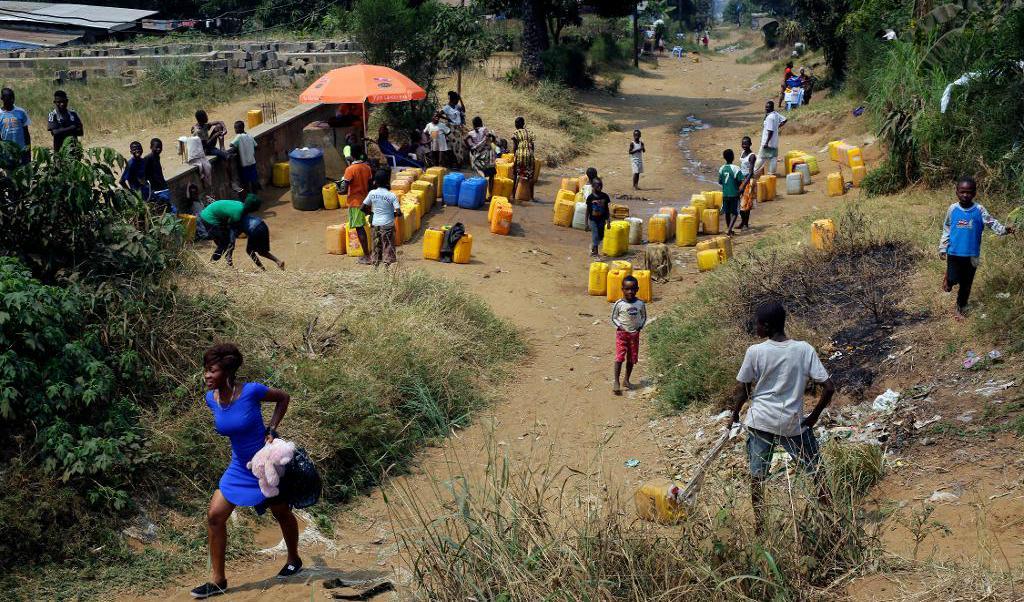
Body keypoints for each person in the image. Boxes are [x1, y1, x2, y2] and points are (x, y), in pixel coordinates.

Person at [190, 343, 301, 599]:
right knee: (215, 516)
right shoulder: (211, 399)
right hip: (239, 466)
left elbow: (283, 397)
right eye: (205, 370)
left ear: (227, 373)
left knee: (281, 512)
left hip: (265, 464)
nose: (206, 376)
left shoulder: (251, 392)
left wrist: (272, 429)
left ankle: (294, 558)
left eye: (212, 371)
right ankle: (218, 580)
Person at [730, 302, 834, 532]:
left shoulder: (755, 352)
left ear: (766, 326)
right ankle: (831, 519)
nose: (755, 327)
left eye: (757, 323)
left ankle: (760, 525)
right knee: (816, 471)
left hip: (760, 421)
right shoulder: (804, 349)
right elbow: (828, 387)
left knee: (757, 475)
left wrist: (735, 413)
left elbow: (744, 389)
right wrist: (813, 417)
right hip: (792, 423)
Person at [939, 176, 1015, 319]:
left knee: (966, 284)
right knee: (954, 279)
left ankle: (960, 308)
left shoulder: (979, 210)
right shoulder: (952, 209)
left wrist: (1005, 230)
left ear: (974, 193)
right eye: (962, 192)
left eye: (969, 192)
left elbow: (992, 223)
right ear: (956, 192)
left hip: (972, 255)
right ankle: (949, 279)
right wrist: (942, 248)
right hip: (954, 252)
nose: (965, 195)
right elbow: (947, 228)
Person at [611, 275, 647, 395]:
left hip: (634, 335)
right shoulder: (619, 304)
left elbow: (644, 317)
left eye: (632, 289)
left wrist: (640, 326)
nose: (630, 291)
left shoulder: (640, 304)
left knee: (631, 358)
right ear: (622, 289)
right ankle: (616, 382)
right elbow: (613, 317)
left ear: (637, 289)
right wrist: (619, 326)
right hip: (622, 334)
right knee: (619, 358)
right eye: (627, 289)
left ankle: (626, 380)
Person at [199, 194, 259, 265]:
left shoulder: (241, 205)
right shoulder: (238, 212)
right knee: (224, 243)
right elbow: (232, 231)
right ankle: (211, 263)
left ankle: (228, 258)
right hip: (209, 218)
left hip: (214, 215)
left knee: (226, 242)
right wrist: (232, 243)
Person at [361, 170, 402, 267]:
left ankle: (375, 267)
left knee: (376, 246)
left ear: (375, 182)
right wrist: (393, 214)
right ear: (387, 182)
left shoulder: (372, 193)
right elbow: (399, 212)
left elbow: (362, 208)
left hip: (375, 224)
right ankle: (386, 268)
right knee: (387, 246)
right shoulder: (391, 195)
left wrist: (371, 214)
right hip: (387, 225)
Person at [339, 147, 373, 262]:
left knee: (360, 228)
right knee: (367, 225)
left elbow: (344, 189)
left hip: (355, 202)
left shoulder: (350, 169)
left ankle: (367, 256)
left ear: (352, 156)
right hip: (366, 200)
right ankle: (371, 252)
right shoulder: (367, 168)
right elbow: (369, 185)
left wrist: (339, 190)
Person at [144, 138, 175, 214]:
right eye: (156, 147)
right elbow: (144, 175)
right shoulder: (148, 158)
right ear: (151, 147)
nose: (159, 149)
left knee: (170, 209)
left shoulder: (157, 157)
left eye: (160, 147)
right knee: (167, 210)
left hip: (162, 187)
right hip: (157, 190)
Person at [0, 87, 31, 164]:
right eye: (8, 99)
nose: (11, 101)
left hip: (22, 150)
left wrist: (28, 150)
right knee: (9, 174)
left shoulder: (21, 112)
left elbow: (26, 133)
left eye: (12, 98)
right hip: (7, 152)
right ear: (2, 99)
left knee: (23, 172)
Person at [466, 117, 496, 195]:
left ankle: (480, 194)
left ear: (473, 124)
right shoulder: (484, 129)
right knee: (491, 175)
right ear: (481, 123)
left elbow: (465, 139)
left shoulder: (470, 133)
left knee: (480, 175)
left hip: (478, 156)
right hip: (487, 156)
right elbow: (490, 138)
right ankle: (490, 193)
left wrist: (471, 147)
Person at [737, 136, 760, 230]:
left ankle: (744, 223)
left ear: (750, 144)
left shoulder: (752, 156)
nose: (744, 145)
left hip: (748, 181)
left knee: (745, 204)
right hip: (742, 180)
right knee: (744, 203)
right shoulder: (743, 153)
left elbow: (750, 172)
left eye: (746, 144)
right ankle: (744, 222)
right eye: (743, 144)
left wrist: (744, 185)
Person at [230, 121, 259, 195]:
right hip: (252, 162)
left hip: (244, 164)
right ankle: (255, 196)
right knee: (253, 180)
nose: (235, 130)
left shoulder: (239, 136)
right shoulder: (250, 136)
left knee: (246, 182)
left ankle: (249, 196)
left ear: (240, 128)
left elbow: (231, 145)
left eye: (236, 128)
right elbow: (257, 146)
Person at [585, 177, 611, 257]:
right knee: (595, 235)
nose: (599, 187)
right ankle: (595, 253)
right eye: (597, 186)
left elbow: (606, 209)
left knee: (601, 236)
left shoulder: (605, 196)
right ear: (593, 186)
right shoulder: (590, 198)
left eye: (601, 185)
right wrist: (586, 223)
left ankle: (593, 246)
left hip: (602, 219)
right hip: (593, 220)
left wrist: (608, 221)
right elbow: (588, 211)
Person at [511, 117, 536, 201]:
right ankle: (532, 197)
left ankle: (513, 195)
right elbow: (532, 146)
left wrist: (514, 157)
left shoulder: (516, 133)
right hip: (530, 155)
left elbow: (514, 147)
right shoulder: (530, 132)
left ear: (517, 125)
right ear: (523, 124)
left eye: (515, 123)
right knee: (530, 176)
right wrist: (532, 156)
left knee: (516, 175)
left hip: (520, 155)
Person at [719, 148, 743, 236]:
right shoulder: (736, 168)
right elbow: (740, 180)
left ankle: (729, 228)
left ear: (724, 158)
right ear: (733, 157)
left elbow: (720, 181)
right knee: (735, 213)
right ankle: (729, 230)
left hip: (725, 194)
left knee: (727, 212)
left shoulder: (722, 169)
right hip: (734, 194)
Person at [441, 91, 467, 167]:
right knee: (453, 146)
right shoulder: (446, 107)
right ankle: (454, 163)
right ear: (453, 99)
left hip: (458, 129)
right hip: (451, 129)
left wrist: (461, 99)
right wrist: (447, 119)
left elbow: (464, 110)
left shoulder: (456, 106)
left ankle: (459, 162)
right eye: (457, 100)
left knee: (459, 146)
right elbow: (438, 114)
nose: (457, 101)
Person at [759, 101, 787, 175]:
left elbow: (770, 131)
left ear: (772, 108)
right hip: (774, 141)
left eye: (768, 107)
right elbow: (785, 119)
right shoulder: (775, 114)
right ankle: (772, 173)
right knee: (773, 157)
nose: (766, 108)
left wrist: (766, 142)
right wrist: (777, 126)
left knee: (761, 158)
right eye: (766, 107)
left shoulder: (770, 118)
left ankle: (754, 173)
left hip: (768, 141)